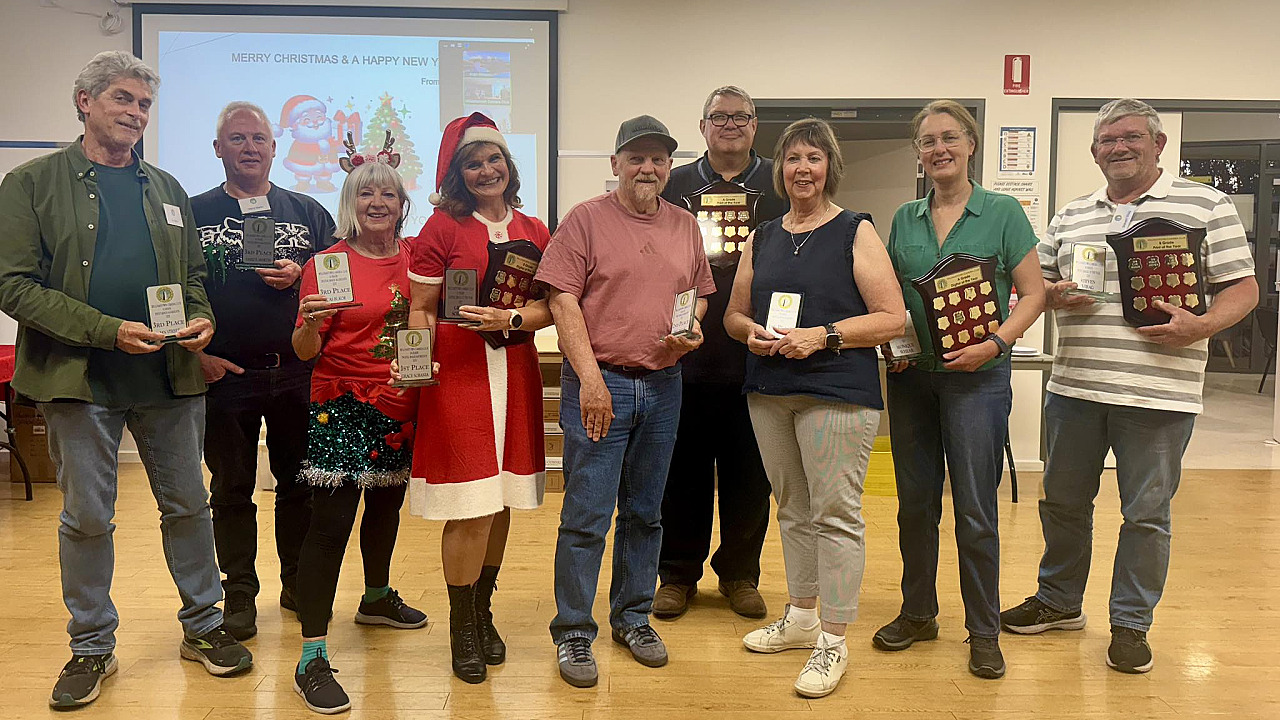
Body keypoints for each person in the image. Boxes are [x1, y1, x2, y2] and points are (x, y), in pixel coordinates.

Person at [0, 51, 253, 709]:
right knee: (87, 516)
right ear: (85, 102)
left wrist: (200, 316)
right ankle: (90, 647)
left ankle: (203, 627)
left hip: (168, 377)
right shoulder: (31, 183)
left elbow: (191, 276)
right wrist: (105, 330)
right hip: (78, 380)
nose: (135, 113)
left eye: (143, 104)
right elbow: (12, 285)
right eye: (122, 98)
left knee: (190, 506)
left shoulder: (165, 189)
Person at [1001, 98, 1257, 674]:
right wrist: (1052, 293)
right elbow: (1033, 283)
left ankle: (1131, 624)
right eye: (1108, 140)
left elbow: (1243, 288)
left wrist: (1204, 325)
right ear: (1094, 151)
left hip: (1160, 395)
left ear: (1158, 144)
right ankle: (1060, 602)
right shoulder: (1071, 215)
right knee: (1063, 504)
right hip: (1074, 389)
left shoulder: (1205, 204)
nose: (1119, 147)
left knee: (1146, 516)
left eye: (1131, 137)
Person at [723, 118, 906, 699]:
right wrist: (750, 331)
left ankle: (834, 638)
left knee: (836, 514)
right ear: (779, 169)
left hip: (836, 389)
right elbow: (733, 314)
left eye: (814, 157)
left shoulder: (856, 230)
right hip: (770, 388)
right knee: (793, 510)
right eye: (792, 158)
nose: (803, 168)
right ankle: (802, 616)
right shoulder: (764, 234)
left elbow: (891, 317)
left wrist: (823, 336)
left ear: (831, 167)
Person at [536, 115, 715, 689]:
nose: (648, 168)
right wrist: (589, 380)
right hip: (601, 383)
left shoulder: (686, 224)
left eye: (659, 158)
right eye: (636, 157)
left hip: (664, 387)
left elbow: (698, 298)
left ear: (670, 166)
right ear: (615, 164)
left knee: (646, 511)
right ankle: (572, 631)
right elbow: (563, 304)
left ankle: (632, 617)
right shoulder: (585, 220)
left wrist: (690, 332)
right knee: (587, 515)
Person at [871, 100, 1046, 680]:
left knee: (974, 509)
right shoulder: (904, 218)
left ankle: (984, 630)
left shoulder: (1002, 212)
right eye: (927, 141)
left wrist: (995, 345)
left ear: (970, 144)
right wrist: (890, 348)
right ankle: (918, 611)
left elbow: (1033, 293)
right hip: (914, 379)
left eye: (949, 137)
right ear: (919, 153)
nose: (939, 149)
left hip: (979, 379)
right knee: (914, 505)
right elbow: (894, 296)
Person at [405, 113, 553, 684]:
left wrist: (511, 316)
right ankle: (461, 626)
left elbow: (550, 307)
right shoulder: (441, 229)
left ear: (508, 167)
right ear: (457, 174)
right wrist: (419, 366)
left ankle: (483, 610)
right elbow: (420, 308)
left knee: (501, 499)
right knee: (469, 505)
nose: (485, 169)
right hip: (459, 376)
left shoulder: (537, 229)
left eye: (494, 159)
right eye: (473, 162)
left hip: (514, 372)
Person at [192, 101, 337, 640]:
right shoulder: (193, 211)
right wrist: (194, 355)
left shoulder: (308, 211)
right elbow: (172, 288)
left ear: (275, 149)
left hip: (298, 373)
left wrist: (304, 276)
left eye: (258, 139)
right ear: (218, 149)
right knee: (231, 489)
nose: (249, 147)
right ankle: (239, 595)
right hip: (226, 374)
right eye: (237, 138)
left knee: (299, 485)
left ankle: (297, 584)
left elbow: (340, 286)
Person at [290, 159, 428, 714]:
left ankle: (374, 598)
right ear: (351, 201)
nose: (378, 202)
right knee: (330, 526)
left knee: (386, 509)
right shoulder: (326, 263)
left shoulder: (419, 260)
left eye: (388, 194)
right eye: (366, 193)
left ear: (402, 204)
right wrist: (306, 322)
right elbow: (305, 352)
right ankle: (311, 657)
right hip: (342, 404)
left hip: (404, 403)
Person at [654, 85, 787, 621]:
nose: (729, 124)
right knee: (679, 473)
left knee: (750, 475)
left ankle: (739, 573)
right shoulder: (675, 185)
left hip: (757, 357)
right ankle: (677, 574)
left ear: (755, 125)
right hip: (685, 358)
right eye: (718, 117)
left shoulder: (779, 183)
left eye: (740, 117)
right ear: (702, 126)